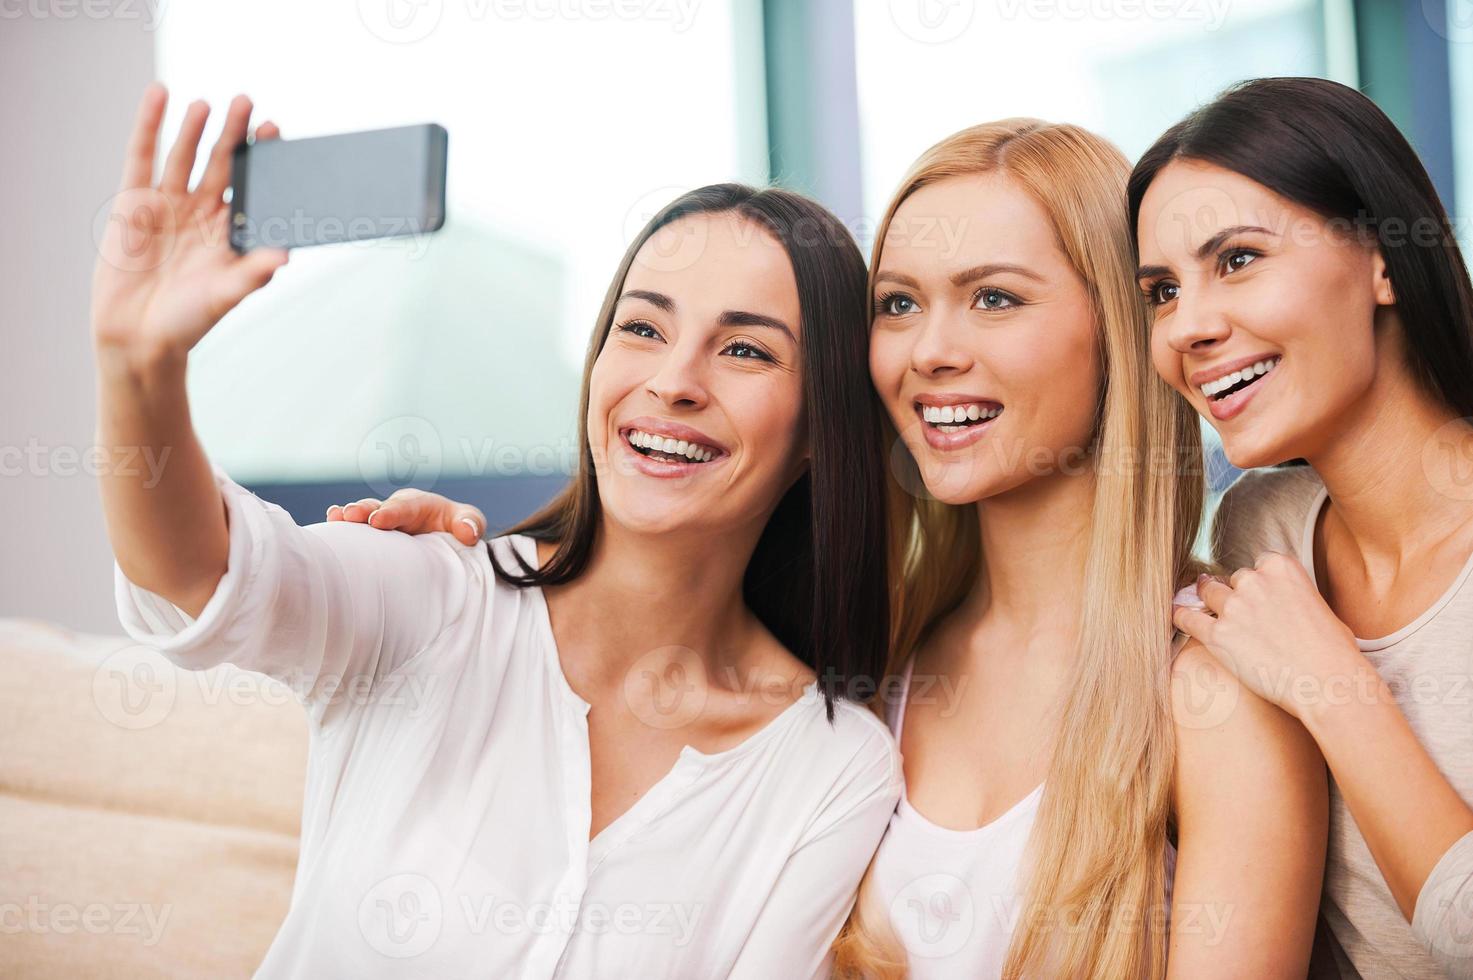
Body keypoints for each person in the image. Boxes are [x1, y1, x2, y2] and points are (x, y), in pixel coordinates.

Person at [353, 117, 1329, 978]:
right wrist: (477, 574)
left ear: (1119, 331)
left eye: (993, 298)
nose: (928, 349)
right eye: (898, 303)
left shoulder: (1216, 698)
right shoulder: (872, 668)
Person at [94, 83, 901, 978]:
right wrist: (140, 367)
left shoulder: (831, 770)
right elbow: (200, 573)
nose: (674, 380)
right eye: (641, 328)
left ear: (821, 431)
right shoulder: (435, 595)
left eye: (745, 349)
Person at [1133, 76, 1473, 980]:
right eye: (1161, 290)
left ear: (1382, 260)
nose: (1189, 327)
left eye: (1237, 259)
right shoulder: (1261, 530)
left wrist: (1331, 685)